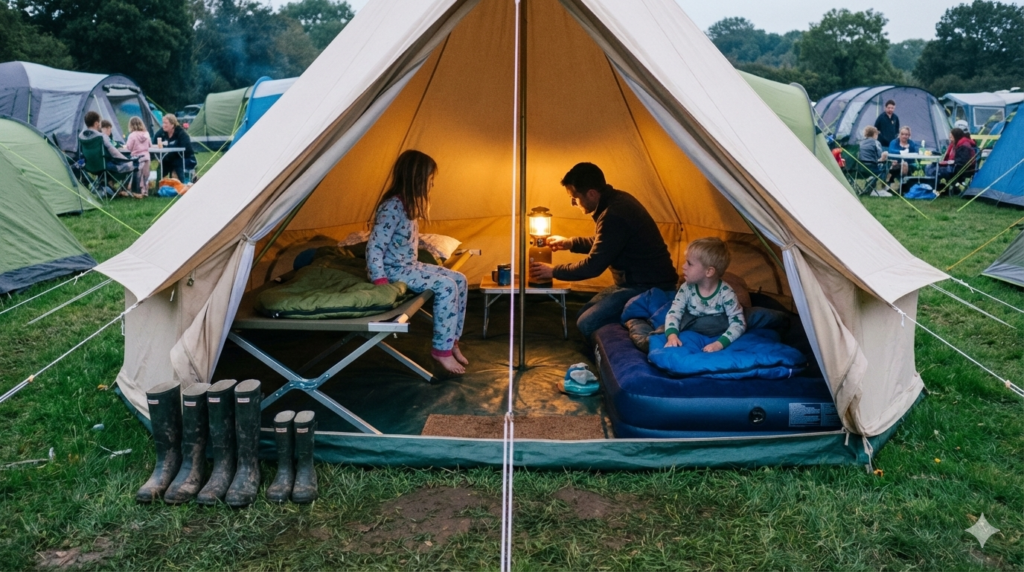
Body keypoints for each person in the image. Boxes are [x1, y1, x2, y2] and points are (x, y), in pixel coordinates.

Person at [529, 162, 678, 341]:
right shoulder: (615, 201)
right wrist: (570, 243)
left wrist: (553, 271)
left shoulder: (614, 213)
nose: (572, 203)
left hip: (648, 286)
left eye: (575, 198)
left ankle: (640, 320)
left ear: (591, 193)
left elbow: (593, 266)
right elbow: (607, 243)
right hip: (631, 283)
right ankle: (627, 313)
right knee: (582, 313)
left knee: (586, 323)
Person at [366, 150, 469, 375]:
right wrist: (380, 280)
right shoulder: (392, 207)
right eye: (430, 181)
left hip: (409, 266)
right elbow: (374, 245)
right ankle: (440, 351)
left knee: (459, 279)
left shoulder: (408, 205)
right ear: (418, 180)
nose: (431, 186)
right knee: (445, 286)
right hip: (394, 271)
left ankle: (452, 342)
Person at [664, 238, 746, 353]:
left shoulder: (726, 294)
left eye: (689, 263)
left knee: (756, 316)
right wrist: (672, 336)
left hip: (716, 326)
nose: (683, 266)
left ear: (709, 272)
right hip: (693, 325)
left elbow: (738, 323)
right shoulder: (686, 288)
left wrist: (719, 344)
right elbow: (674, 312)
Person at [79, 110, 139, 195]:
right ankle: (125, 190)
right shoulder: (101, 136)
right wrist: (126, 160)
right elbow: (113, 151)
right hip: (103, 166)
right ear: (96, 123)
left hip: (89, 166)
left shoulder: (81, 136)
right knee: (132, 164)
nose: (100, 124)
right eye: (99, 122)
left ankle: (107, 187)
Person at [153, 113, 197, 182]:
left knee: (177, 164)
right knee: (161, 169)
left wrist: (169, 147)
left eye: (166, 123)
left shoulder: (181, 133)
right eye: (163, 123)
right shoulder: (161, 132)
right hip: (168, 158)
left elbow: (185, 148)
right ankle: (157, 188)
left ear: (172, 124)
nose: (163, 125)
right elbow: (154, 143)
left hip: (184, 158)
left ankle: (183, 184)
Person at [123, 116, 152, 198]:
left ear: (131, 125)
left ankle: (137, 191)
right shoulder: (146, 134)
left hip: (137, 158)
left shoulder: (132, 135)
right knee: (145, 175)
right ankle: (145, 191)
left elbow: (129, 147)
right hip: (146, 157)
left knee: (138, 176)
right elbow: (150, 145)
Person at [887, 126, 919, 193]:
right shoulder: (894, 142)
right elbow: (890, 151)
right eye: (902, 134)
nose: (904, 136)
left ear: (909, 135)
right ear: (899, 134)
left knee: (905, 164)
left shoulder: (911, 143)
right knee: (894, 165)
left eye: (906, 134)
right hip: (894, 163)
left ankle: (903, 185)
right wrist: (902, 151)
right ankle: (900, 185)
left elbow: (914, 154)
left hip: (908, 164)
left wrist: (907, 150)